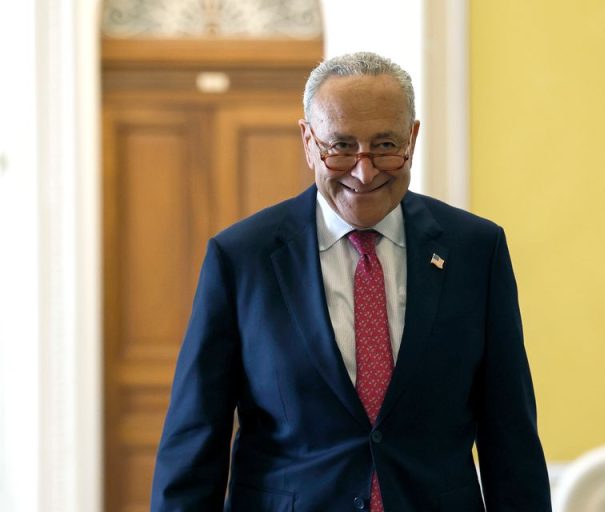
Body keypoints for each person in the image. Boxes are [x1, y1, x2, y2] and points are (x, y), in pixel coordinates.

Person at [151, 52, 551, 511]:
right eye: (341, 147)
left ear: (412, 138)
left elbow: (511, 439)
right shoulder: (242, 259)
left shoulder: (475, 251)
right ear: (308, 141)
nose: (364, 171)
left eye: (385, 145)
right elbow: (194, 442)